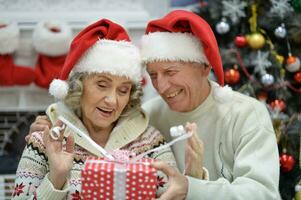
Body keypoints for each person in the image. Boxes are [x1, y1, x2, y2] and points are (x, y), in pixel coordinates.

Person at [12, 19, 176, 199]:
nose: (112, 101)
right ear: (79, 87)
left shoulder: (151, 143)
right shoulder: (44, 142)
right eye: (102, 85)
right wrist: (56, 178)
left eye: (123, 90)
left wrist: (194, 175)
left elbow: (176, 192)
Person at [140, 10, 280, 200]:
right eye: (153, 75)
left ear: (205, 67)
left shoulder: (247, 114)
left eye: (171, 72)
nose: (161, 87)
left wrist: (192, 187)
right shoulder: (148, 115)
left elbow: (262, 194)